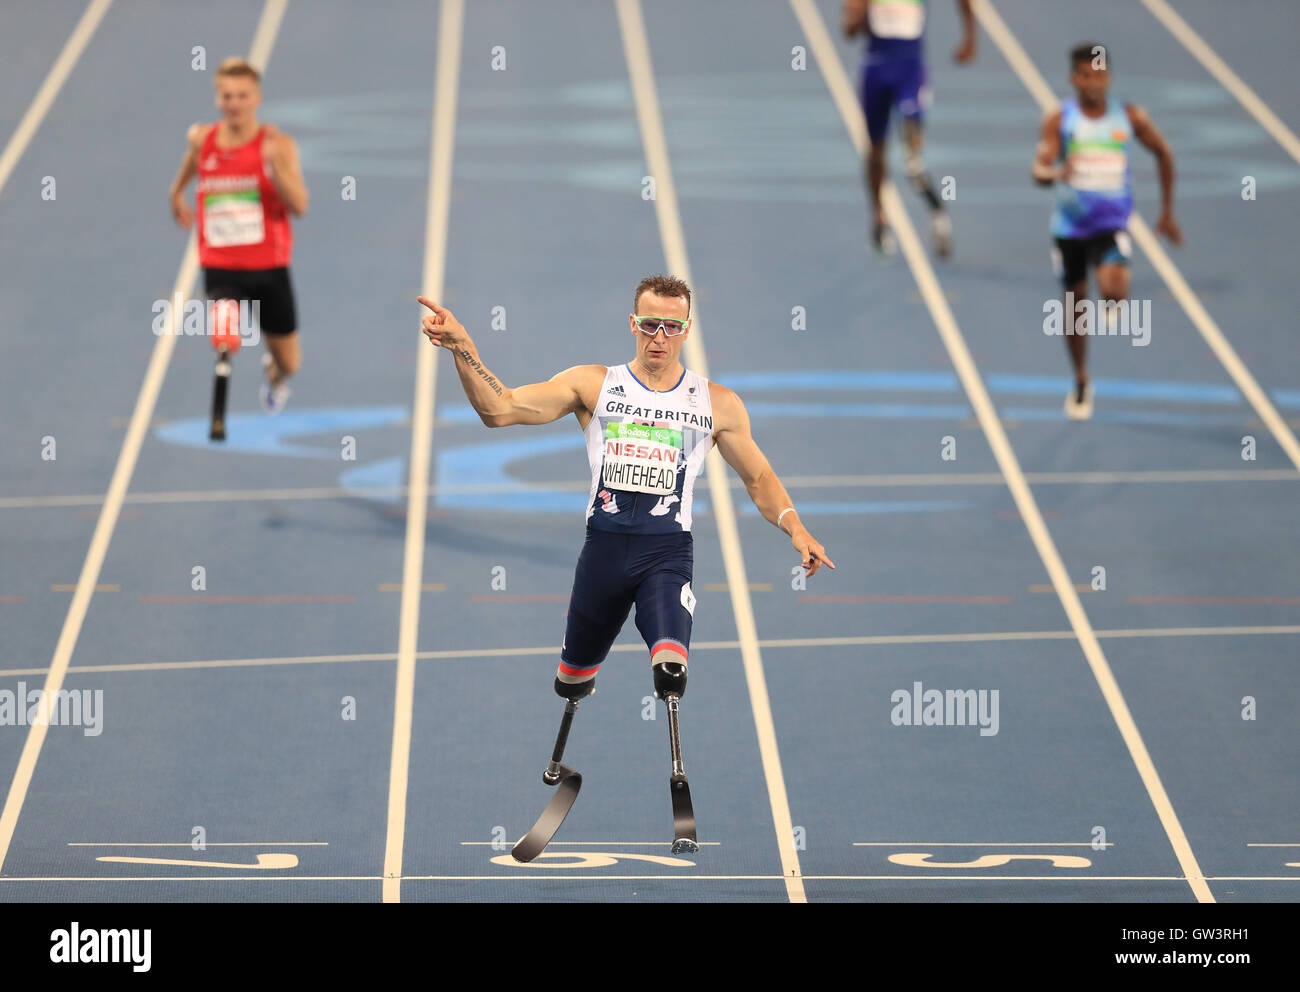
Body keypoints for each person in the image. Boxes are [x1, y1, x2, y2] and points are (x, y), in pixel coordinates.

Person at [419, 274, 835, 703]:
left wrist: (795, 527)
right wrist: (462, 347)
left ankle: (678, 767)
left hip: (666, 554)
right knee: (571, 681)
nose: (660, 337)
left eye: (672, 327)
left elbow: (759, 478)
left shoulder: (717, 403)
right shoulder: (593, 385)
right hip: (603, 553)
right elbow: (500, 409)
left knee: (671, 672)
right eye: (650, 324)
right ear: (632, 323)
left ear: (687, 330)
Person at [1033, 42, 1182, 420]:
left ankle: (1112, 300)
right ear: (1073, 78)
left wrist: (1166, 212)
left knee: (1115, 289)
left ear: (1109, 76)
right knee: (1074, 310)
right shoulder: (1059, 120)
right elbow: (1040, 167)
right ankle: (1081, 378)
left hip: (1112, 225)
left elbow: (1163, 153)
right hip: (1070, 229)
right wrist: (1054, 174)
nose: (1094, 82)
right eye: (1086, 75)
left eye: (1100, 74)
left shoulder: (1129, 117)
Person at [169, 56, 309, 413]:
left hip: (269, 268)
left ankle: (274, 374)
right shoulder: (203, 140)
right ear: (218, 100)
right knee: (225, 329)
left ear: (257, 98)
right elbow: (192, 160)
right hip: (221, 264)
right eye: (227, 96)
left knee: (291, 364)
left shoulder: (276, 147)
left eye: (242, 96)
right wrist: (177, 192)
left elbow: (300, 206)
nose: (234, 104)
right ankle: (225, 351)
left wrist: (277, 171)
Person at [843, 0, 977, 258]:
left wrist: (970, 39)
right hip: (875, 71)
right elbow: (849, 31)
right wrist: (856, 17)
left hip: (910, 72)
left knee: (912, 160)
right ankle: (879, 218)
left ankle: (937, 212)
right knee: (876, 151)